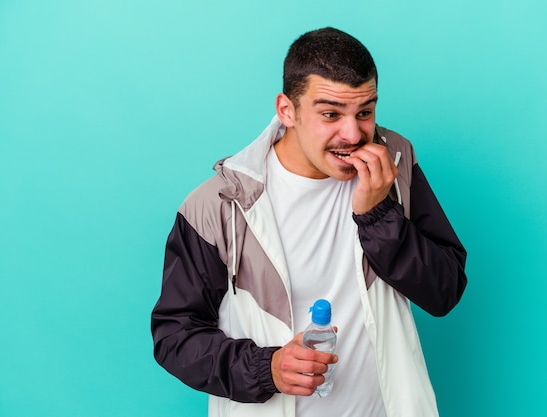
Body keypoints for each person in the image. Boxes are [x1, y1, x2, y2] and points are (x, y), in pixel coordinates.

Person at [151, 27, 467, 417]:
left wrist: (377, 215)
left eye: (365, 111)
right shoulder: (218, 204)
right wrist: (266, 368)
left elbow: (444, 292)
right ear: (287, 110)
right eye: (331, 114)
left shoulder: (395, 164)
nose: (352, 134)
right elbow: (174, 336)